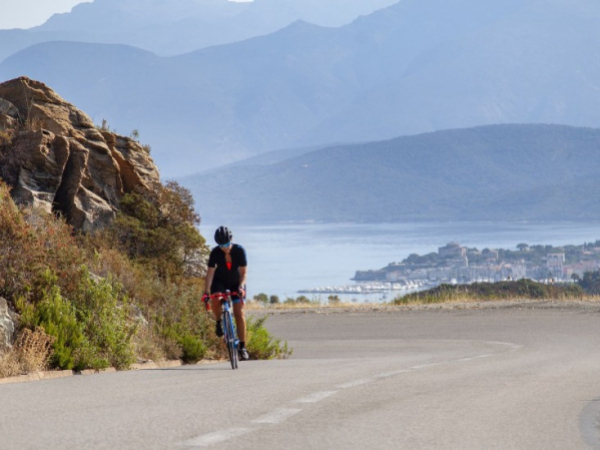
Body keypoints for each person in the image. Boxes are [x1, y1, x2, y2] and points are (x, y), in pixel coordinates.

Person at [204, 226, 249, 361]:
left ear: (231, 240)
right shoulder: (215, 253)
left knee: (239, 313)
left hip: (237, 282)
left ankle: (242, 346)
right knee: (216, 299)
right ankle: (218, 321)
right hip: (220, 282)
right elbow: (210, 273)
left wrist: (241, 287)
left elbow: (244, 273)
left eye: (227, 244)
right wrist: (206, 292)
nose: (224, 247)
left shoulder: (240, 251)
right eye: (221, 245)